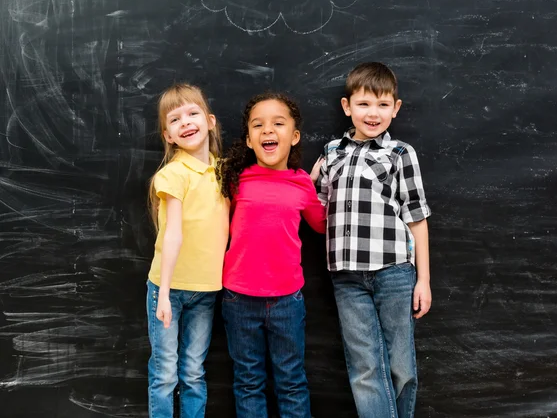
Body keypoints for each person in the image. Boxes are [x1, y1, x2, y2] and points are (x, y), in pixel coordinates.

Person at [311, 62, 432, 418]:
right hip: (346, 276)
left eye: (382, 105)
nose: (373, 113)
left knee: (401, 367)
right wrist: (306, 179)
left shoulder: (399, 154)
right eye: (364, 104)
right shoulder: (332, 153)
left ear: (396, 108)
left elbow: (417, 217)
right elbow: (314, 207)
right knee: (365, 367)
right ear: (347, 107)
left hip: (393, 272)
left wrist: (423, 278)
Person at [217, 92, 326, 418]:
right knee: (248, 380)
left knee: (291, 380)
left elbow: (321, 226)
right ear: (249, 139)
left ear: (293, 137)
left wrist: (320, 185)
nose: (268, 131)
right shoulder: (235, 181)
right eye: (258, 125)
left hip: (286, 301)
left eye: (278, 124)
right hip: (238, 299)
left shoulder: (301, 184)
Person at [146, 83, 229, 418]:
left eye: (193, 113)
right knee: (165, 373)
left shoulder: (223, 170)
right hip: (169, 289)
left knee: (194, 372)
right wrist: (163, 294)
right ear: (168, 135)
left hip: (206, 290)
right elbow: (173, 235)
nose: (186, 122)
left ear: (209, 121)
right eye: (176, 119)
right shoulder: (173, 174)